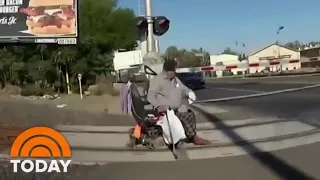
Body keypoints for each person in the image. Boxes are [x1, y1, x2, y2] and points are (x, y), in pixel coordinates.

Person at [147, 59, 210, 145]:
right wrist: (158, 106)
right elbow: (150, 97)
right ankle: (192, 137)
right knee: (187, 115)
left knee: (188, 112)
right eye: (173, 71)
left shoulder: (175, 79)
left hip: (177, 108)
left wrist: (189, 92)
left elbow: (183, 88)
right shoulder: (157, 81)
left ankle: (191, 136)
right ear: (167, 71)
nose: (175, 73)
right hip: (165, 110)